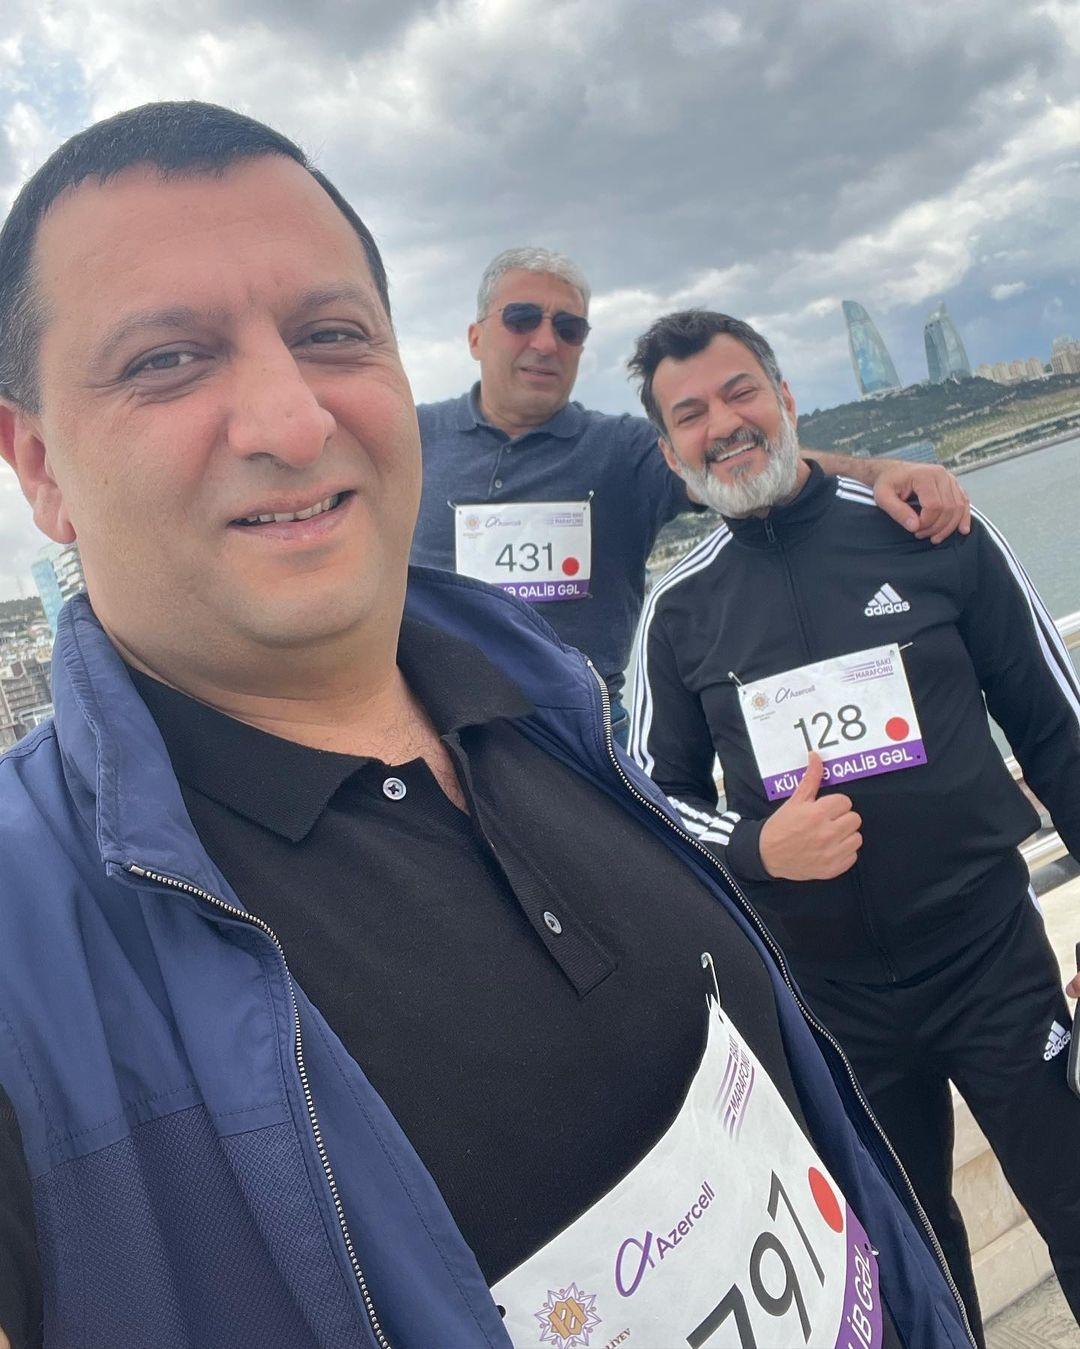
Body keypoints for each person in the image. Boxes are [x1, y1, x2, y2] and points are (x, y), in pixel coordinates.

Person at [0, 103, 976, 1349]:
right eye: (166, 359)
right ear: (37, 463)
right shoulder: (32, 949)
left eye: (331, 334)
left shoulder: (562, 696)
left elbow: (735, 457)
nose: (293, 422)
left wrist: (876, 473)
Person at [627, 308, 1080, 1348]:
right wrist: (756, 847)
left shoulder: (929, 532)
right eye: (690, 413)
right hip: (833, 1008)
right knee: (911, 1268)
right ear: (670, 451)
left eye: (741, 391)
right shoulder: (680, 611)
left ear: (787, 399)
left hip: (994, 956)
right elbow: (649, 805)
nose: (723, 424)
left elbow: (1056, 732)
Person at [411, 246, 971, 733]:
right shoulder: (410, 438)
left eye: (569, 328)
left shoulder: (623, 452)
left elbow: (743, 463)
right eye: (522, 318)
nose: (546, 342)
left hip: (578, 742)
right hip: (430, 732)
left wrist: (876, 473)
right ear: (476, 336)